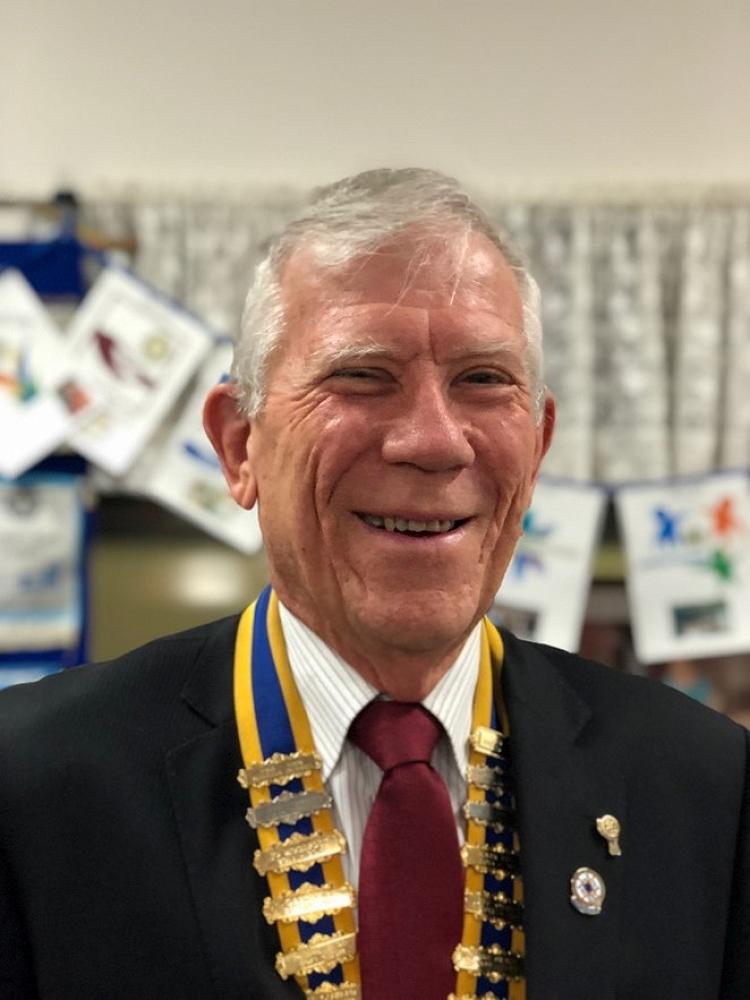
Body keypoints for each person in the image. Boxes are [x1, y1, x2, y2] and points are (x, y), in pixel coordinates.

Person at [0, 169, 746, 1000]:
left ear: (537, 449)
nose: (434, 441)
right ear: (239, 446)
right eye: (362, 375)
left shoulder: (707, 791)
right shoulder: (32, 787)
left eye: (483, 380)